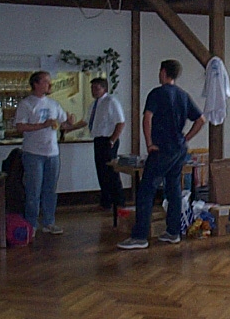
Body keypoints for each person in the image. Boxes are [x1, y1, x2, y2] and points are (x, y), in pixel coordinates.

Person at [117, 59, 206, 250]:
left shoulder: (157, 93)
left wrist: (149, 143)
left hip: (162, 149)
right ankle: (173, 232)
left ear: (164, 72)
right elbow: (201, 120)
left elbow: (147, 118)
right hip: (179, 149)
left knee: (146, 190)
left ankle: (140, 236)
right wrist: (186, 138)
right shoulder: (183, 95)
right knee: (173, 188)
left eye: (160, 71)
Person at [15, 71, 83, 235]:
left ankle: (49, 222)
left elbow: (64, 124)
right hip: (33, 153)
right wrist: (43, 125)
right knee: (33, 190)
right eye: (46, 82)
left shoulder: (54, 104)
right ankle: (31, 224)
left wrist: (70, 122)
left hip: (52, 153)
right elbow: (20, 127)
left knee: (50, 190)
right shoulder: (26, 104)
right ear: (36, 84)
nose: (50, 85)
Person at [86, 77, 126, 210]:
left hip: (108, 140)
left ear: (104, 89)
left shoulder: (111, 101)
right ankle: (106, 202)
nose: (93, 91)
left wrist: (112, 140)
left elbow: (120, 123)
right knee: (101, 173)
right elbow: (86, 121)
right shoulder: (94, 104)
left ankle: (119, 202)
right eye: (92, 88)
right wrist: (69, 128)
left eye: (96, 88)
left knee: (111, 172)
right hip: (98, 140)